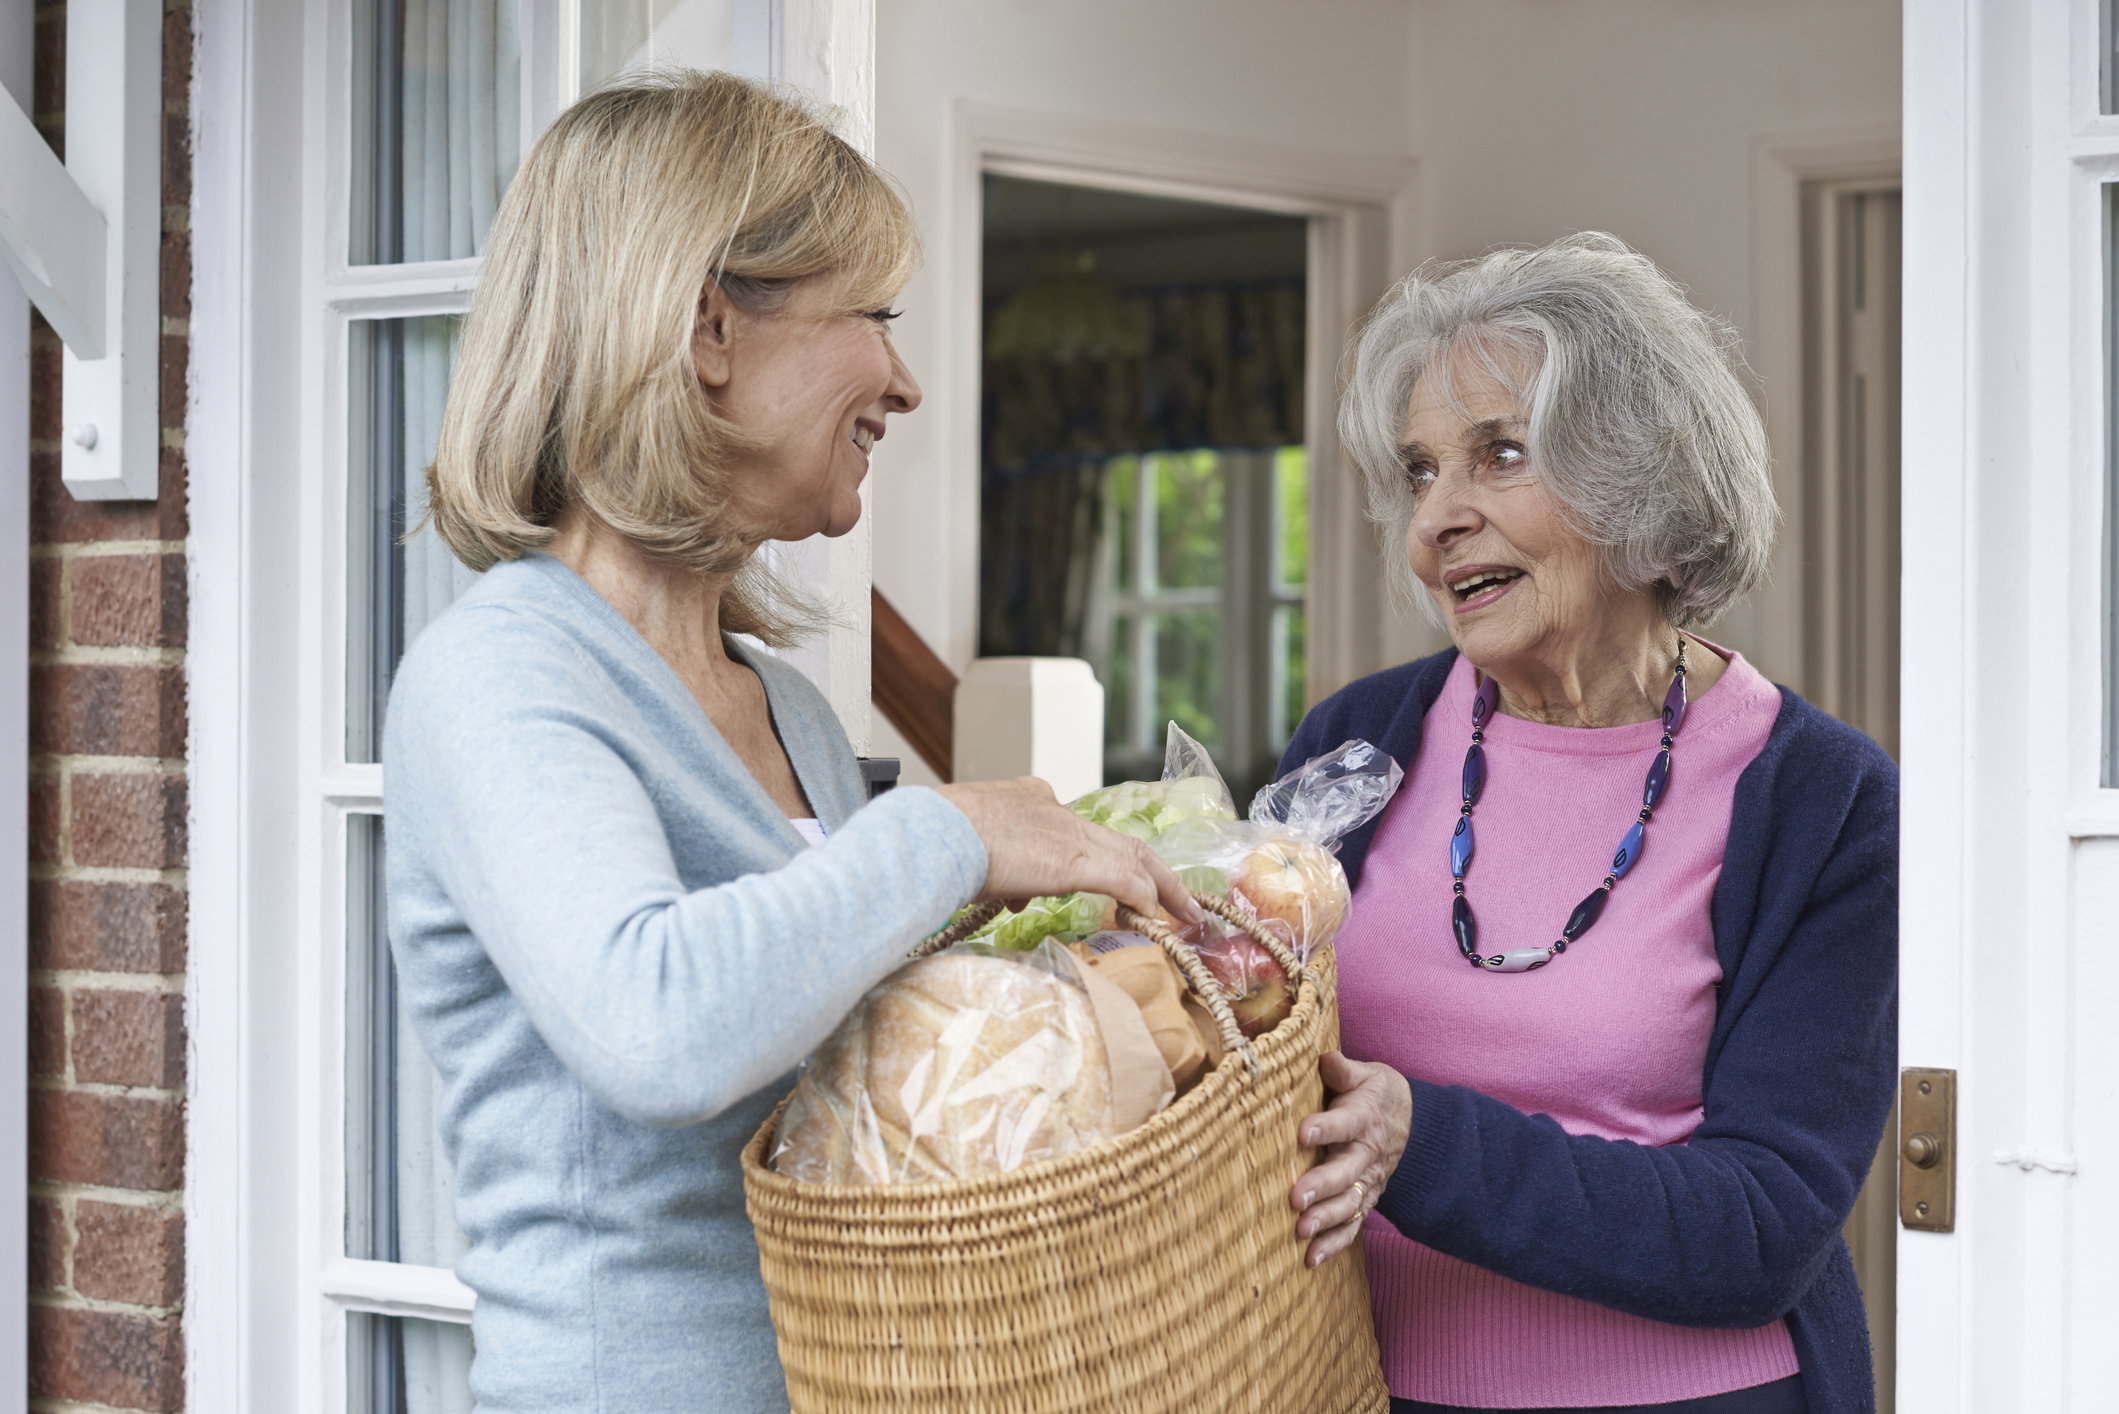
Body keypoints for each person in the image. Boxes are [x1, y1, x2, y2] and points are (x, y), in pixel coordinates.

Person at [382, 72, 1198, 1414]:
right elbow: (658, 1029)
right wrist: (950, 832)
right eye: (871, 316)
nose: (905, 378)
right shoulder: (501, 674)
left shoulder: (791, 709)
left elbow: (847, 1076)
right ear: (709, 327)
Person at [1279, 234, 1897, 1414]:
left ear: (1639, 478)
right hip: (1357, 1387)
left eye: (1498, 456)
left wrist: (1428, 1144)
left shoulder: (1822, 802)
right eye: (1418, 473)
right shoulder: (1357, 743)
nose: (1436, 523)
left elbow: (1762, 1223)